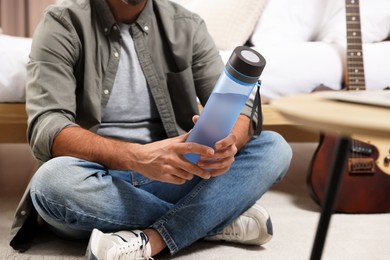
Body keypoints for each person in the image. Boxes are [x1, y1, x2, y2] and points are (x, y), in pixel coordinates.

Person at [9, 0, 292, 259]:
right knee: (51, 184)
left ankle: (153, 239)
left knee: (273, 147)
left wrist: (230, 141)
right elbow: (48, 127)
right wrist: (139, 157)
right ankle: (213, 219)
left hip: (175, 174)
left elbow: (243, 111)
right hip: (98, 180)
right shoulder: (62, 22)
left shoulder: (187, 25)